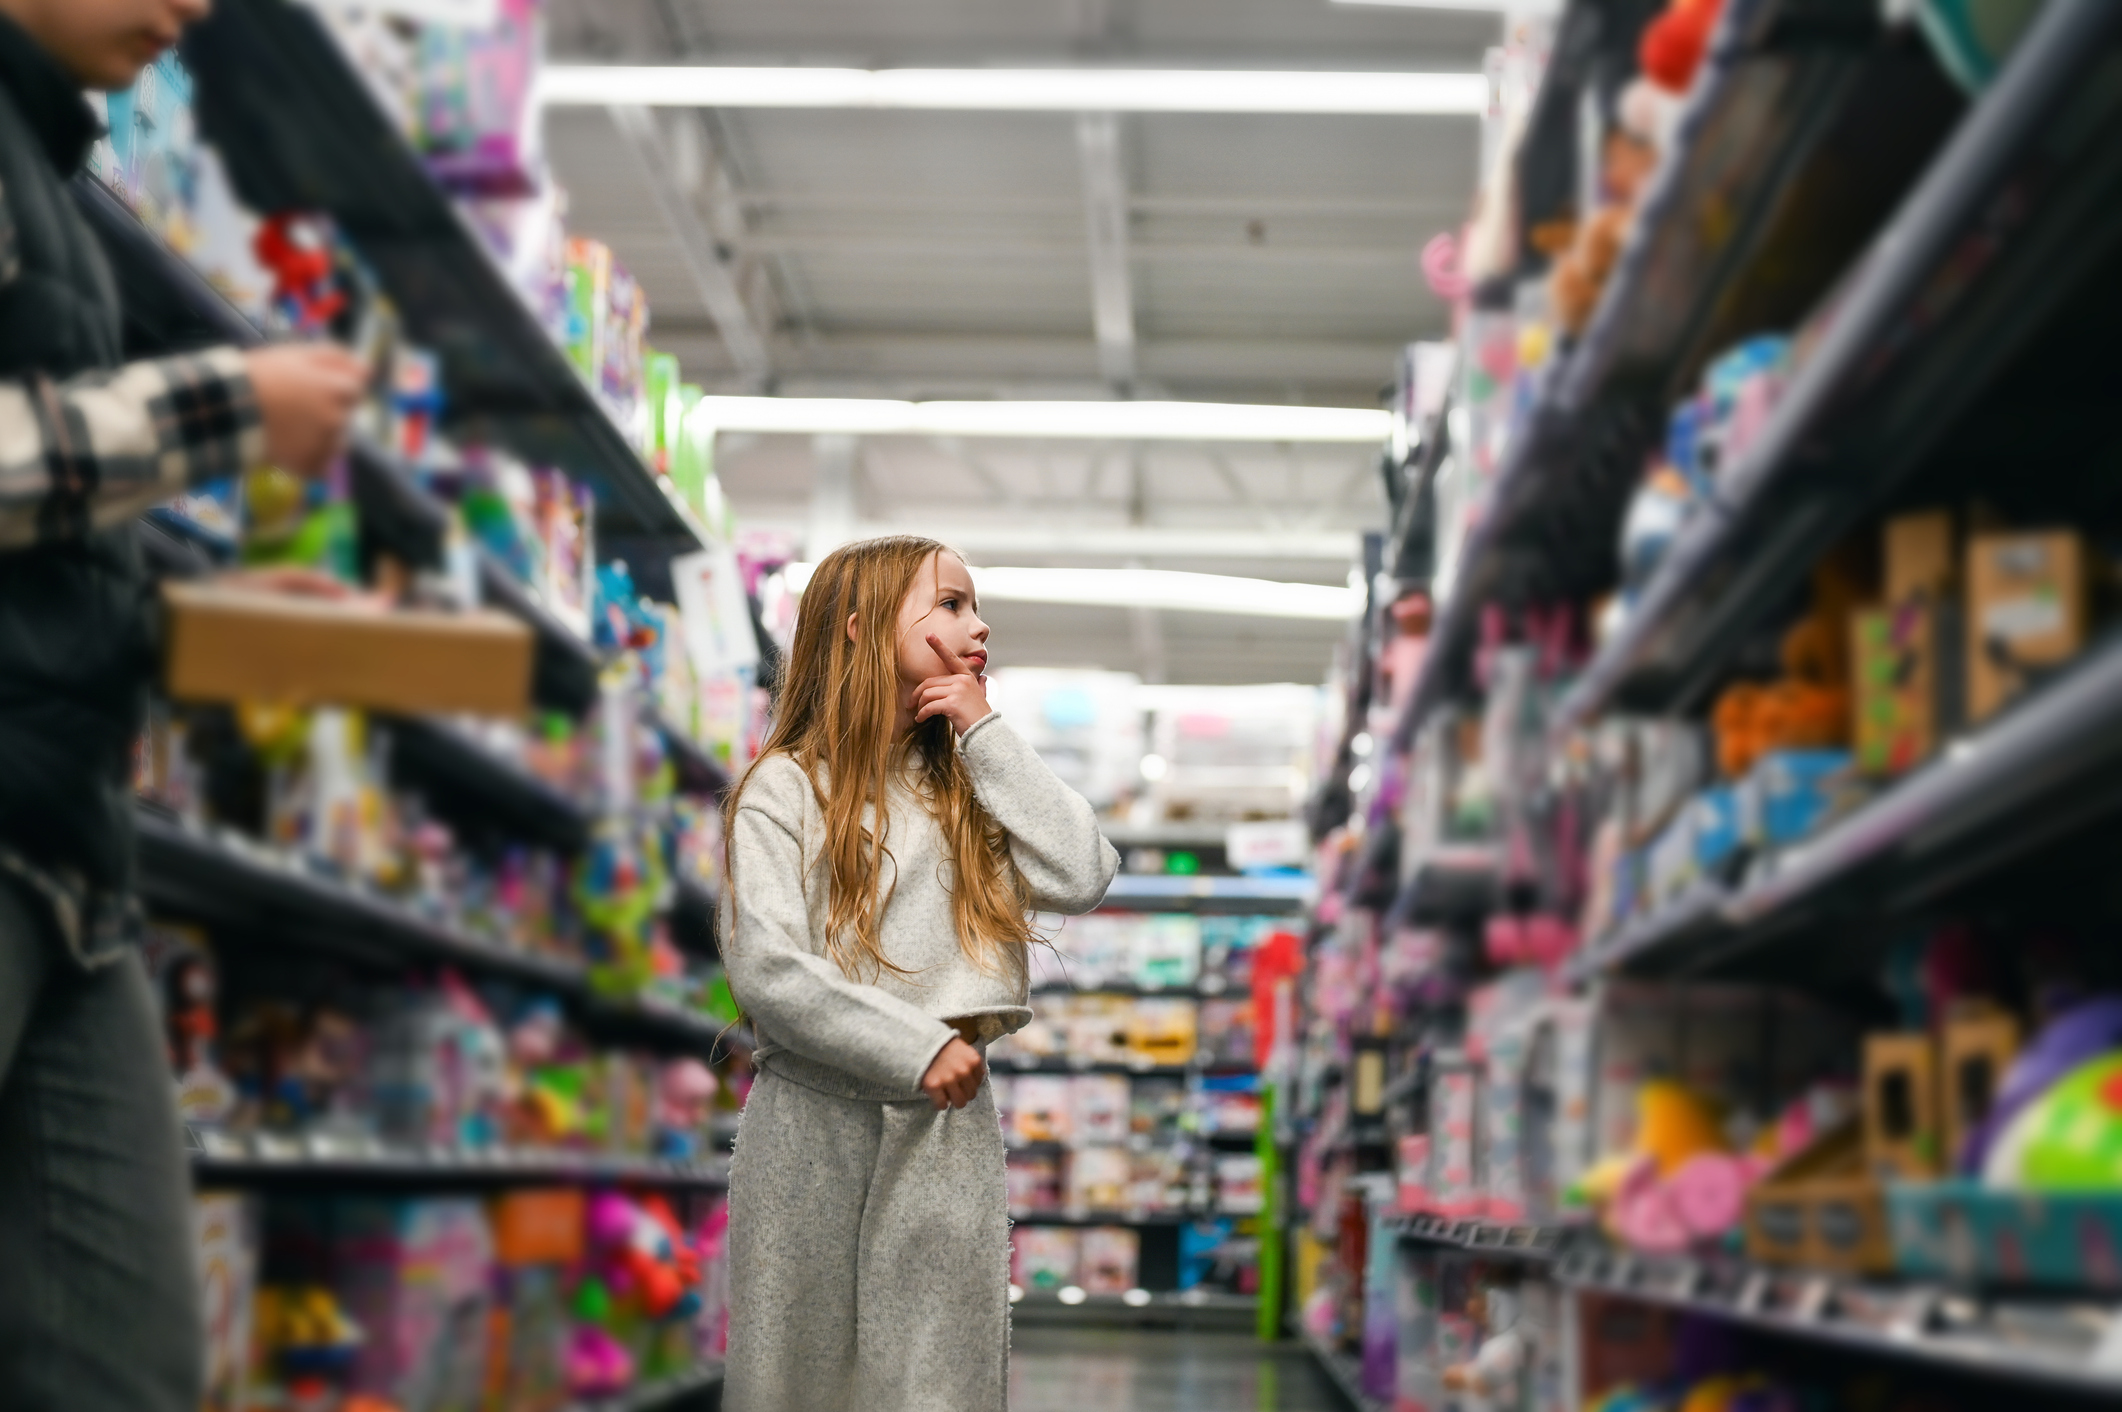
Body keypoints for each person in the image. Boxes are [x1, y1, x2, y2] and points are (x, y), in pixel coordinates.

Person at [0, 1, 368, 1407]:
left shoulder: (48, 167)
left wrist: (215, 631)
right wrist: (223, 411)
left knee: (127, 1364)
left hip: (71, 861)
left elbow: (45, 568)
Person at [719, 536, 1118, 1411]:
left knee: (940, 1387)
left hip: (946, 1129)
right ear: (861, 629)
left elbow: (1083, 871)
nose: (979, 625)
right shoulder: (784, 789)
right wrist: (913, 1044)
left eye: (974, 607)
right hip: (808, 1122)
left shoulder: (974, 784)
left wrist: (984, 731)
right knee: (791, 1383)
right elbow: (766, 966)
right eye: (950, 604)